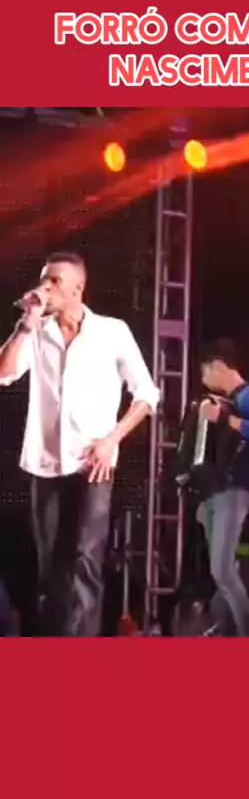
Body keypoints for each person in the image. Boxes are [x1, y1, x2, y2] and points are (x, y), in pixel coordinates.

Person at [0, 251, 159, 636]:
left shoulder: (112, 332)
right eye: (44, 279)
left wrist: (111, 440)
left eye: (54, 281)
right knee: (50, 566)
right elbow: (3, 373)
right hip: (44, 464)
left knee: (86, 560)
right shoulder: (36, 332)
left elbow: (147, 395)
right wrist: (25, 325)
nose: (46, 287)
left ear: (77, 289)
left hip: (93, 463)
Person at [198, 339, 249, 636]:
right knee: (222, 569)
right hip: (215, 492)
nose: (203, 380)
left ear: (218, 366)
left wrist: (227, 420)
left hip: (235, 490)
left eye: (205, 372)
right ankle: (225, 627)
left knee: (222, 570)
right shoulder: (225, 400)